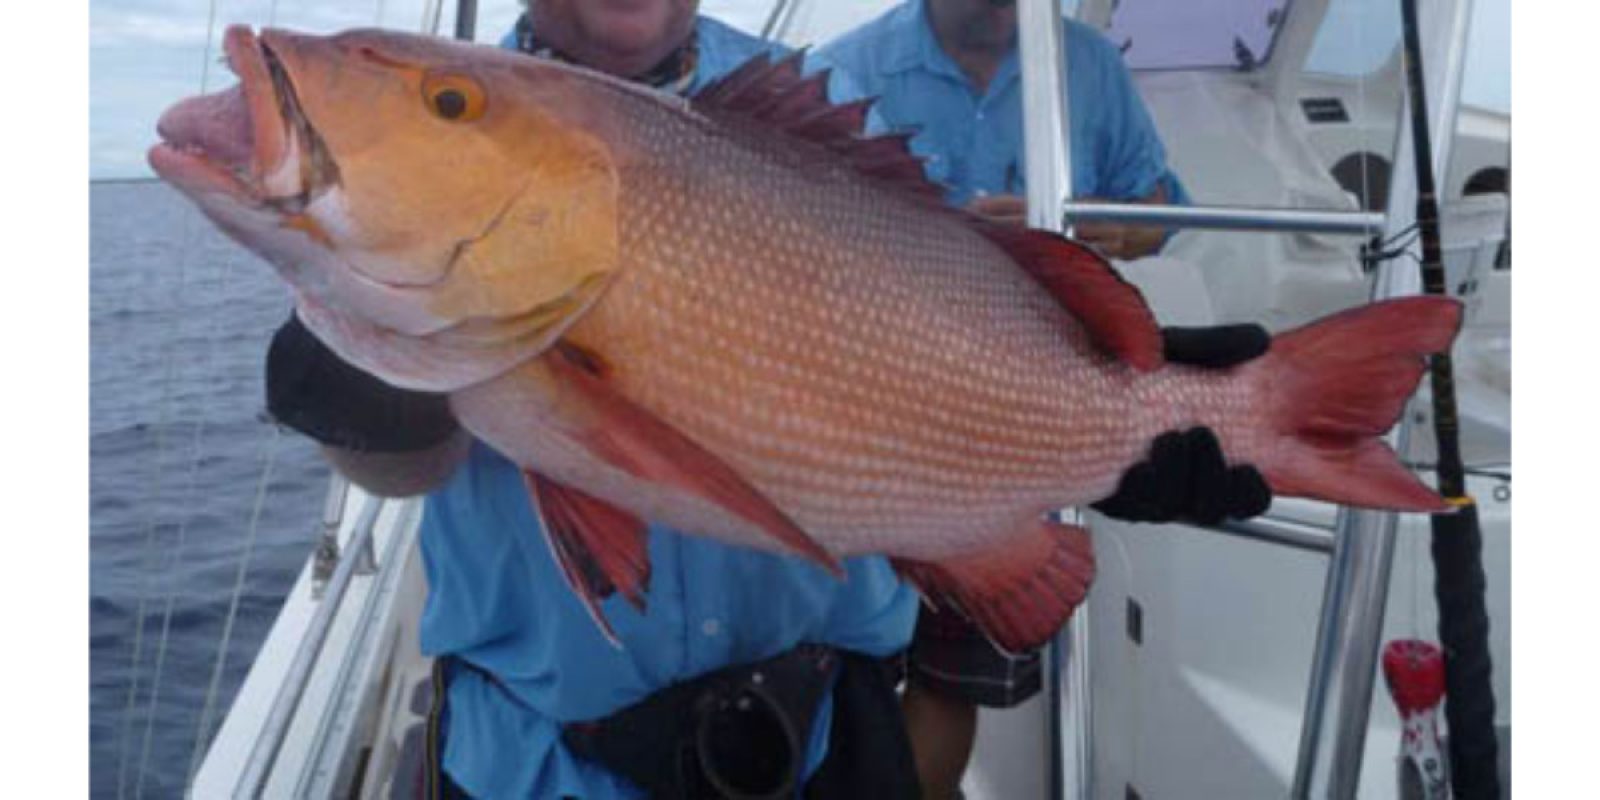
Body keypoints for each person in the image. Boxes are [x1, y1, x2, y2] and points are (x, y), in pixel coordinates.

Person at [264, 1, 1270, 797]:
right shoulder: (410, 125)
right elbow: (397, 471)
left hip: (826, 731)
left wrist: (1095, 397)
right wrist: (356, 371)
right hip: (544, 757)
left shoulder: (820, 96)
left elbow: (927, 317)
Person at [820, 2, 1262, 797]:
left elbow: (1157, 209)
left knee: (955, 672)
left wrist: (1075, 231)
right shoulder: (849, 68)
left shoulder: (1087, 64)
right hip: (871, 406)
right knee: (845, 664)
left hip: (1029, 418)